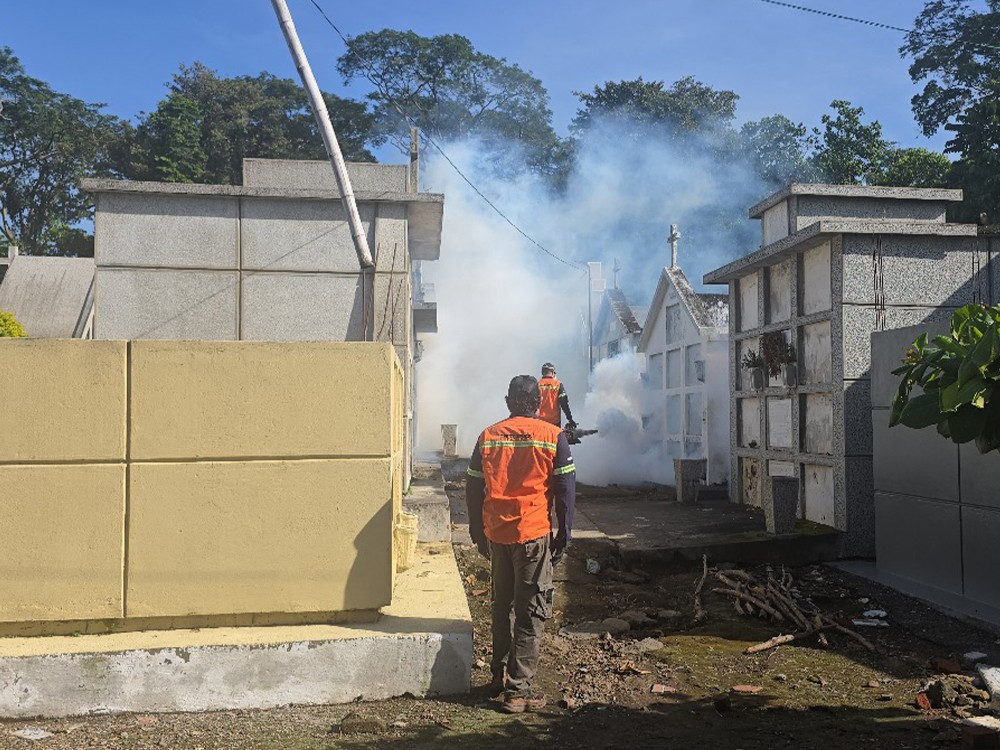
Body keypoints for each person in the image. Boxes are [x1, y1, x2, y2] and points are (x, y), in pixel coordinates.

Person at [466, 375, 576, 713]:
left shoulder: (487, 436)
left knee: (502, 607)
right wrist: (565, 532)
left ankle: (498, 676)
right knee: (531, 612)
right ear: (539, 404)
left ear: (507, 400)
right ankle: (518, 691)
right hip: (532, 535)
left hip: (497, 535)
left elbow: (472, 488)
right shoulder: (552, 436)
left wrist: (476, 530)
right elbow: (565, 491)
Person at [537, 362, 576, 429]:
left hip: (540, 422)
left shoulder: (537, 385)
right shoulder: (558, 384)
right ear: (552, 372)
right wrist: (570, 419)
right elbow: (564, 403)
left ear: (542, 372)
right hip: (554, 423)